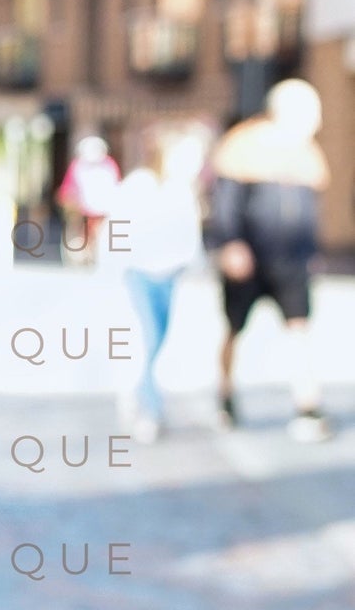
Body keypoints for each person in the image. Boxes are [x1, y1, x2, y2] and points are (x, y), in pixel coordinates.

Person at [205, 77, 333, 440]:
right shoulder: (244, 144)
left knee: (299, 330)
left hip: (292, 261)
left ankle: (307, 405)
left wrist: (311, 252)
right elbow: (225, 203)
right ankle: (226, 395)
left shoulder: (307, 152)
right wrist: (230, 243)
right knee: (234, 328)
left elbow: (310, 211)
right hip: (248, 258)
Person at [105, 131, 205, 442]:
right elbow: (119, 225)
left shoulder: (181, 190)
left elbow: (190, 232)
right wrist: (115, 264)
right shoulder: (138, 185)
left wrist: (194, 263)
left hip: (169, 273)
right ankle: (150, 408)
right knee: (147, 340)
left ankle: (138, 395)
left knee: (159, 338)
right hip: (140, 271)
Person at [56, 132, 121, 264]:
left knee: (99, 233)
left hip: (102, 209)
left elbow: (115, 185)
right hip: (84, 209)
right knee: (82, 231)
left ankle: (95, 254)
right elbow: (69, 187)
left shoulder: (108, 165)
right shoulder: (78, 166)